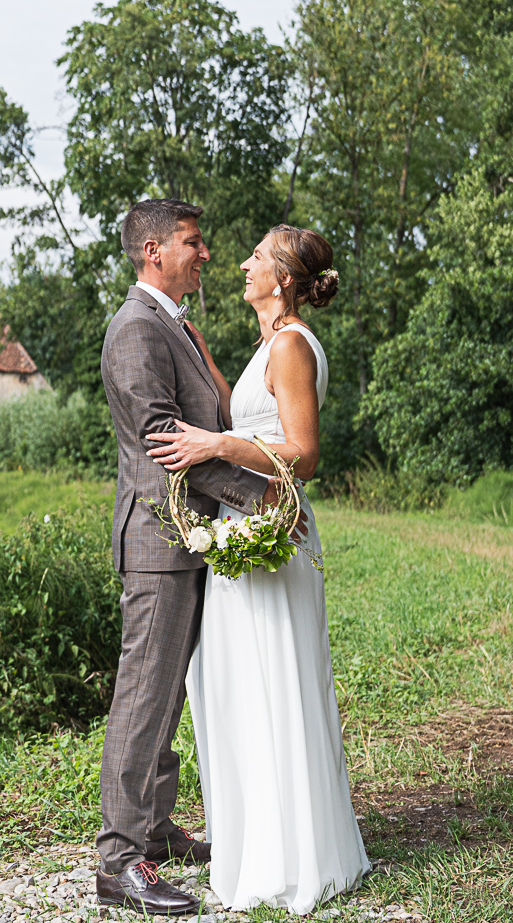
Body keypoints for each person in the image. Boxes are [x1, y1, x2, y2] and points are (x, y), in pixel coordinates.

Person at [146, 224, 371, 915]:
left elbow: (302, 454)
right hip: (248, 532)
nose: (240, 265)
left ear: (279, 278)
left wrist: (215, 442)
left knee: (271, 684)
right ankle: (260, 839)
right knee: (239, 682)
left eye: (253, 258)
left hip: (274, 536)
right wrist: (198, 351)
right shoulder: (270, 344)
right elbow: (241, 407)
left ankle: (289, 857)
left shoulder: (294, 345)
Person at [96, 198, 282, 916]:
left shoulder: (171, 324)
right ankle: (118, 861)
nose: (205, 254)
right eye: (192, 243)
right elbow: (163, 443)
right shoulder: (136, 329)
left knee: (168, 693)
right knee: (144, 696)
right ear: (153, 252)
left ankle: (155, 828)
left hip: (194, 539)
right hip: (158, 543)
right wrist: (257, 496)